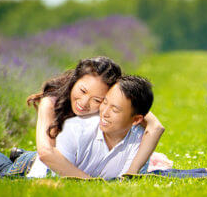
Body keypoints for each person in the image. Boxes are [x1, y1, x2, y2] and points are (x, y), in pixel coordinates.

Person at [0, 75, 155, 180]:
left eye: (114, 108)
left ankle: (19, 153)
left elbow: (129, 178)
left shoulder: (137, 139)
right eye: (103, 102)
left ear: (137, 119)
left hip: (59, 159)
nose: (103, 112)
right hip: (38, 165)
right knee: (4, 173)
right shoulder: (81, 127)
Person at [24, 56, 164, 176]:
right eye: (83, 91)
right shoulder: (50, 103)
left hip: (78, 161)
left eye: (97, 100)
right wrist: (89, 181)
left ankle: (19, 154)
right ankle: (17, 155)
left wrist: (132, 171)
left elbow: (156, 127)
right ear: (75, 81)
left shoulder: (114, 107)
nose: (84, 104)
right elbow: (46, 153)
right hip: (46, 164)